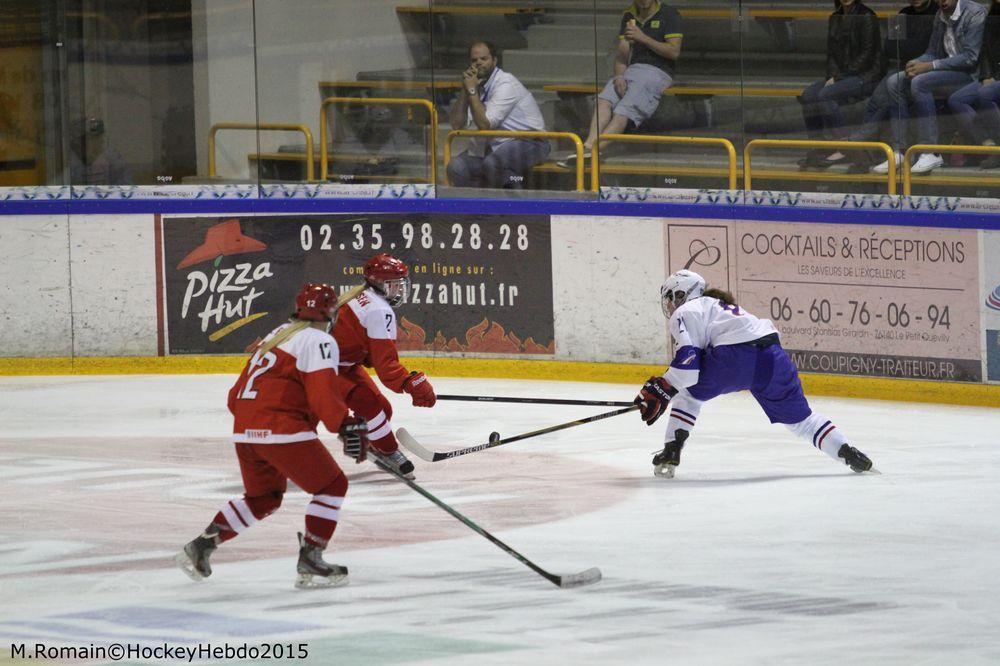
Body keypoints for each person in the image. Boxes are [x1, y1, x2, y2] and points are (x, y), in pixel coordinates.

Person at [176, 283, 369, 589]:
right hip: (281, 429)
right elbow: (322, 393)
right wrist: (343, 424)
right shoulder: (319, 340)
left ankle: (202, 545)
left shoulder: (279, 334)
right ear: (331, 314)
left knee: (262, 498)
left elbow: (233, 397)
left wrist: (258, 424)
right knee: (332, 485)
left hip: (245, 432)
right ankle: (311, 558)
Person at [633, 270, 873, 479]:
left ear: (682, 294)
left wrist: (662, 387)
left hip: (734, 360)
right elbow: (689, 366)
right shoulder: (721, 308)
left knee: (688, 395)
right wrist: (664, 387)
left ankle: (671, 451)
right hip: (773, 359)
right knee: (802, 422)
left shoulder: (686, 311)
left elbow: (688, 369)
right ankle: (847, 451)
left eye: (671, 298)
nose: (670, 305)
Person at [332, 253, 436, 479]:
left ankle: (357, 434)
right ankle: (389, 452)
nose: (400, 290)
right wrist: (411, 383)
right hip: (321, 367)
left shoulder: (362, 295)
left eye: (401, 284)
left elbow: (360, 345)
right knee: (371, 407)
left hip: (341, 365)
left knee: (383, 409)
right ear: (379, 285)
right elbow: (386, 366)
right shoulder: (378, 309)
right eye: (394, 285)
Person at [557, 0, 682, 168]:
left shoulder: (669, 14)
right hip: (632, 70)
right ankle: (586, 147)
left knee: (624, 110)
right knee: (604, 101)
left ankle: (594, 153)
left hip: (657, 71)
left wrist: (643, 38)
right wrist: (619, 76)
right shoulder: (629, 15)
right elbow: (622, 56)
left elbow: (673, 52)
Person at [871, 0, 986, 175]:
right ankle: (899, 151)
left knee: (920, 82)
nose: (943, 1)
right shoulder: (938, 15)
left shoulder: (975, 13)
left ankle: (930, 150)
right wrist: (918, 62)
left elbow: (970, 57)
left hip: (969, 75)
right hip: (943, 71)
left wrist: (929, 65)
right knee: (894, 81)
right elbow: (932, 51)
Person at [845, 0, 940, 173]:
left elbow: (927, 48)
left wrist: (905, 45)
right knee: (877, 98)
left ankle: (861, 141)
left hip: (928, 68)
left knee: (889, 90)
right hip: (903, 68)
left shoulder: (937, 13)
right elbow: (888, 47)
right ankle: (869, 148)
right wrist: (909, 46)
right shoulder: (903, 13)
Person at [447, 41, 550, 189]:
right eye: (474, 60)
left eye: (484, 59)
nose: (478, 63)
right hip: (495, 145)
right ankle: (478, 210)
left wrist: (472, 91)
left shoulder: (505, 83)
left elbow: (485, 124)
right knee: (456, 167)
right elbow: (456, 125)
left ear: (494, 61)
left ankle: (515, 207)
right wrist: (465, 89)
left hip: (530, 141)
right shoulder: (474, 85)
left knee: (493, 164)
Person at [799, 0, 885, 169]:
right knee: (808, 95)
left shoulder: (867, 16)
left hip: (866, 75)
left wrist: (838, 78)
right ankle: (820, 146)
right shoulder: (835, 17)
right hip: (840, 76)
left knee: (825, 95)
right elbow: (831, 55)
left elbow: (867, 56)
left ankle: (846, 147)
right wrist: (832, 76)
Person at [947, 0, 1000, 169]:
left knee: (986, 94)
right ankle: (989, 145)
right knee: (957, 99)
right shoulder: (992, 15)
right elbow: (984, 51)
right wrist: (987, 75)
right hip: (992, 76)